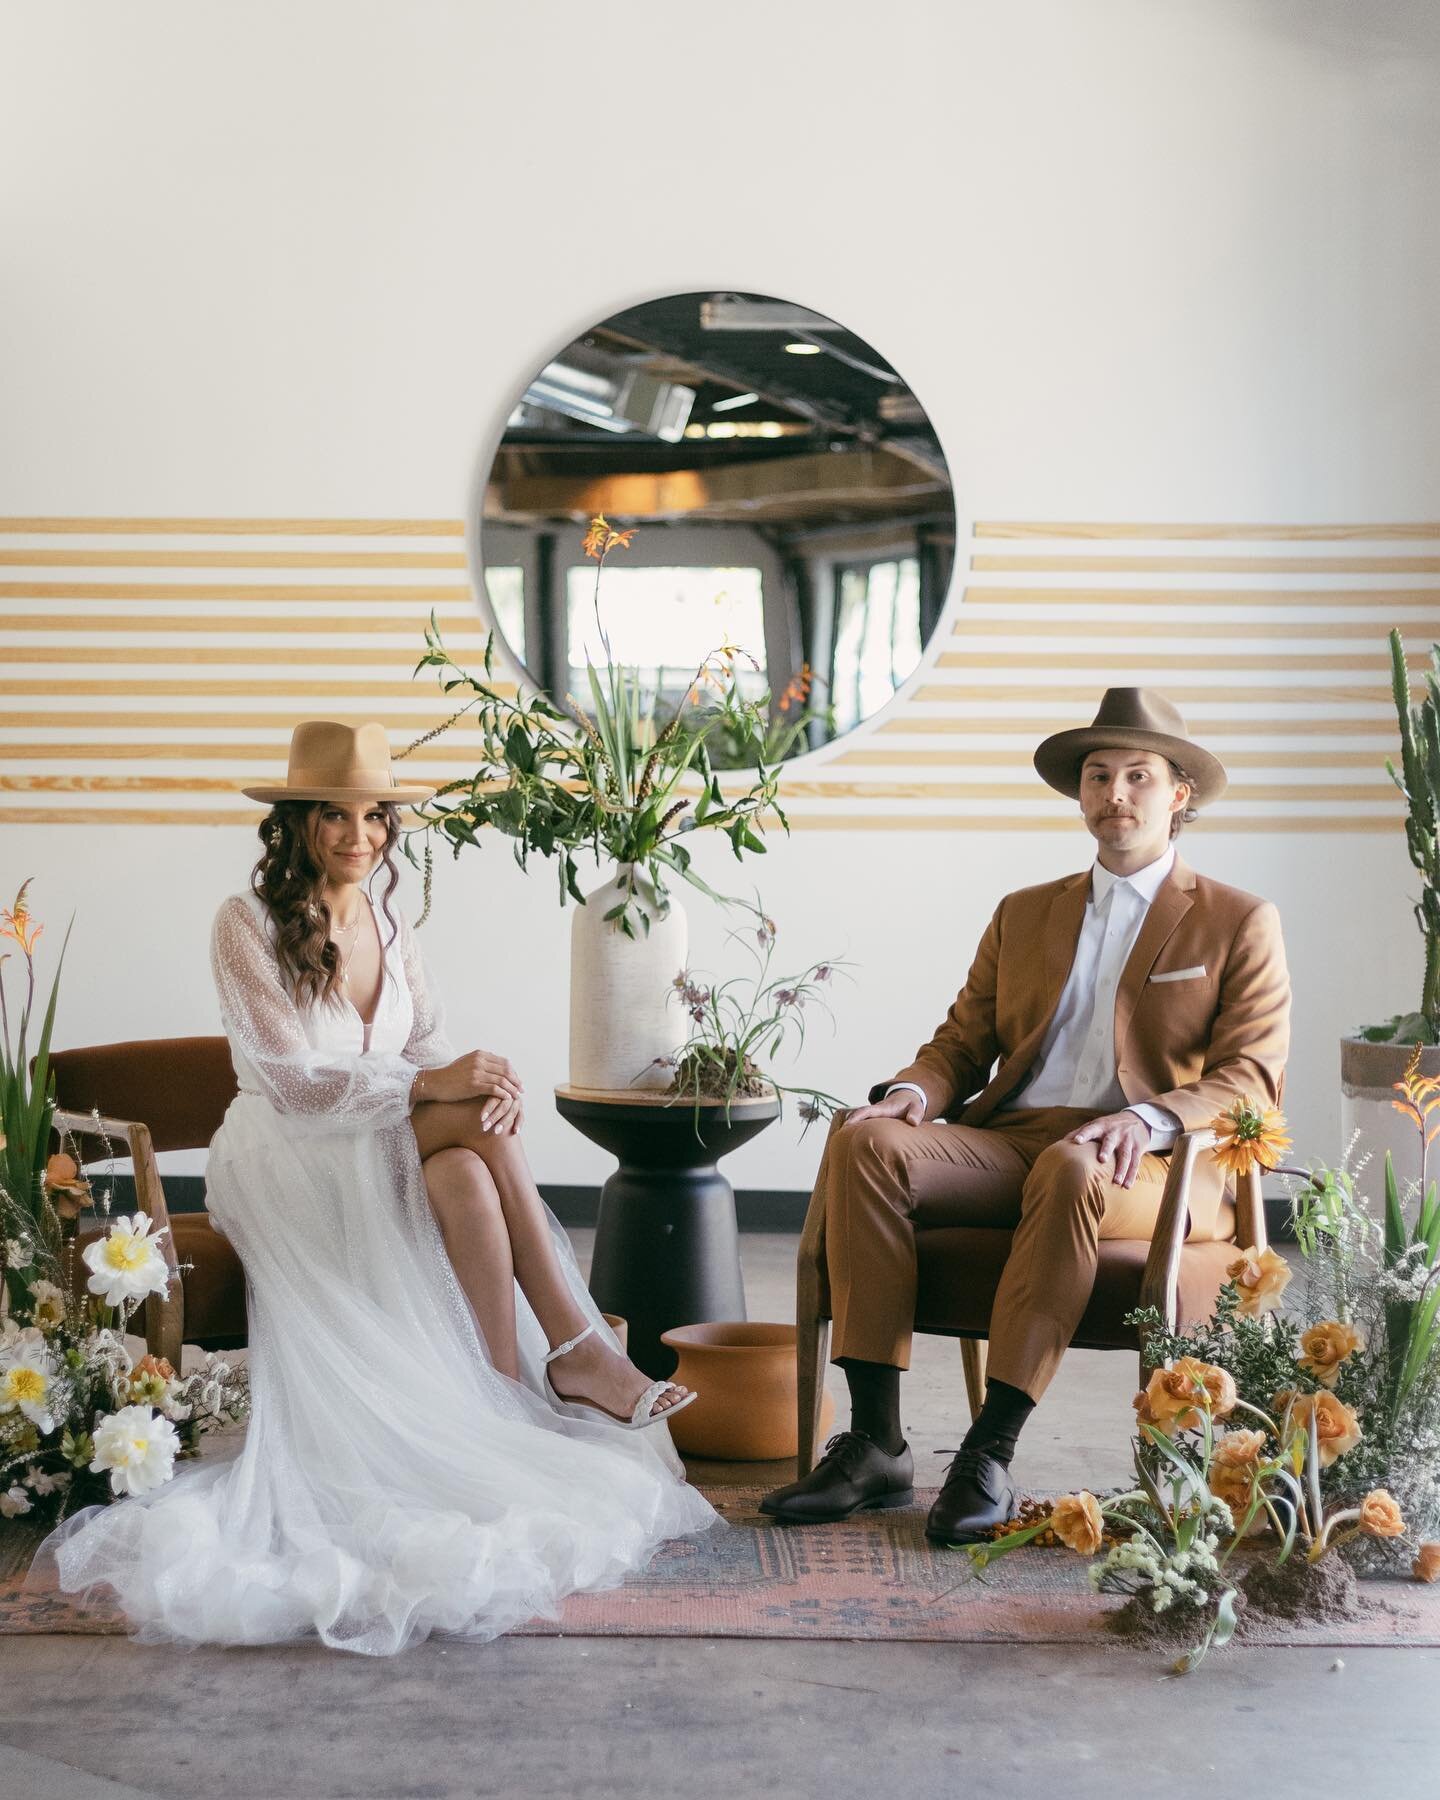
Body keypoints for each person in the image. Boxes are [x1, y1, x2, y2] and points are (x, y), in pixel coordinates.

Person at [39, 720, 716, 1654]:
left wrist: (482, 1076)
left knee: (471, 1170)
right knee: (466, 1125)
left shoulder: (393, 923)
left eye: (375, 817)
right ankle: (576, 1339)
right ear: (294, 824)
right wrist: (439, 1087)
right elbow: (288, 1078)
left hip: (382, 1130)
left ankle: (502, 1388)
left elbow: (428, 1043)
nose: (361, 835)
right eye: (336, 816)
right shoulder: (247, 923)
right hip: (283, 1147)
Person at [761, 688, 1290, 1543]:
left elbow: (1252, 1078)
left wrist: (1149, 1118)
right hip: (1019, 1139)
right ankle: (875, 1444)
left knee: (1074, 1164)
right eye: (1099, 775)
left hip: (1157, 1165)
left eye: (1138, 776)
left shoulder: (1237, 921)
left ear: (1179, 793)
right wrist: (915, 1094)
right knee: (868, 1144)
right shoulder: (1025, 912)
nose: (1115, 793)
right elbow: (961, 1043)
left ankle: (988, 1451)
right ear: (1081, 794)